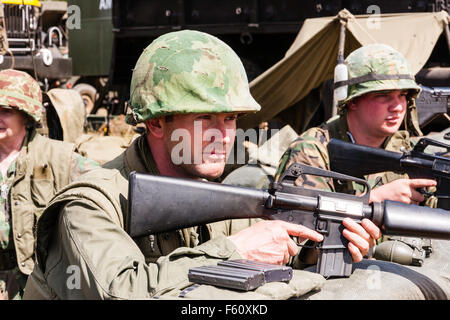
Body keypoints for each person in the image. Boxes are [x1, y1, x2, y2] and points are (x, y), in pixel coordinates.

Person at [23, 30, 380, 300]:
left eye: (229, 119)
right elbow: (122, 292)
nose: (224, 135)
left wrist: (314, 249)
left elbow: (269, 253)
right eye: (206, 117)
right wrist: (235, 251)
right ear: (156, 122)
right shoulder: (89, 206)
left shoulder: (219, 195)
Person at [275, 44, 437, 205]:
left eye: (402, 95)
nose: (397, 107)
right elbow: (301, 220)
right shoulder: (313, 150)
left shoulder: (410, 150)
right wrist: (373, 199)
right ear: (352, 101)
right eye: (384, 95)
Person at [0, 69, 99, 299]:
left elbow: (108, 187)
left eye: (6, 111)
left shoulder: (59, 159)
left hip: (38, 285)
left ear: (26, 114)